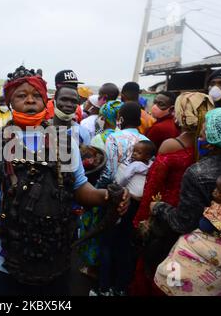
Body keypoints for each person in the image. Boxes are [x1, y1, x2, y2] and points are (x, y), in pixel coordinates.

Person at [0, 66, 130, 296]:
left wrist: (106, 196)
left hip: (55, 259)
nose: (30, 101)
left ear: (45, 101)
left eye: (36, 95)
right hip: (2, 262)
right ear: (10, 102)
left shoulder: (64, 143)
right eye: (21, 95)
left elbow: (81, 188)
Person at [131, 92, 214, 296]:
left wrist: (141, 219)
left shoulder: (172, 145)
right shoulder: (211, 146)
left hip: (164, 215)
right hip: (196, 219)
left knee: (153, 267)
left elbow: (153, 185)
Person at [150, 108, 221, 237]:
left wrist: (158, 207)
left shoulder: (197, 173)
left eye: (201, 136)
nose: (199, 139)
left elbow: (184, 223)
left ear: (210, 144)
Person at [154, 171, 221, 296]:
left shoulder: (219, 211)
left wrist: (207, 215)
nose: (214, 192)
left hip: (215, 245)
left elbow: (204, 226)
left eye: (219, 191)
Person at [90, 102, 149, 296]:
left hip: (115, 197)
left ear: (120, 119)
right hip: (135, 200)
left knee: (107, 243)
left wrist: (97, 193)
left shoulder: (114, 138)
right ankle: (121, 287)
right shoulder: (146, 140)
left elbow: (109, 173)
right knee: (125, 243)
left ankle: (103, 287)